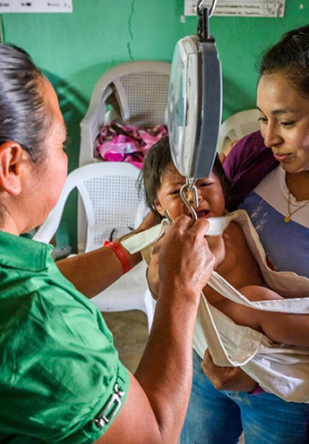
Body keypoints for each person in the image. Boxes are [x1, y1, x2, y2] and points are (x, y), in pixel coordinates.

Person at [0, 43, 216, 444]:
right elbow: (154, 435)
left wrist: (136, 243)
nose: (64, 158)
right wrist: (180, 290)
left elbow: (49, 281)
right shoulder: (46, 329)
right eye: (61, 145)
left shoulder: (16, 275)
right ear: (12, 165)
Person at [180, 24, 309, 444]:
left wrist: (254, 374)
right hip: (212, 360)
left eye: (285, 121)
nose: (269, 136)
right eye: (262, 117)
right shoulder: (250, 156)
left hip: (282, 393)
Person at [140, 136, 309, 348]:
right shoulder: (174, 239)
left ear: (224, 186)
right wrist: (160, 273)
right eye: (177, 192)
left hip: (260, 304)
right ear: (159, 206)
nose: (194, 197)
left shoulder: (232, 217)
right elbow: (157, 285)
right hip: (227, 317)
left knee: (275, 301)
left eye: (204, 184)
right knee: (258, 299)